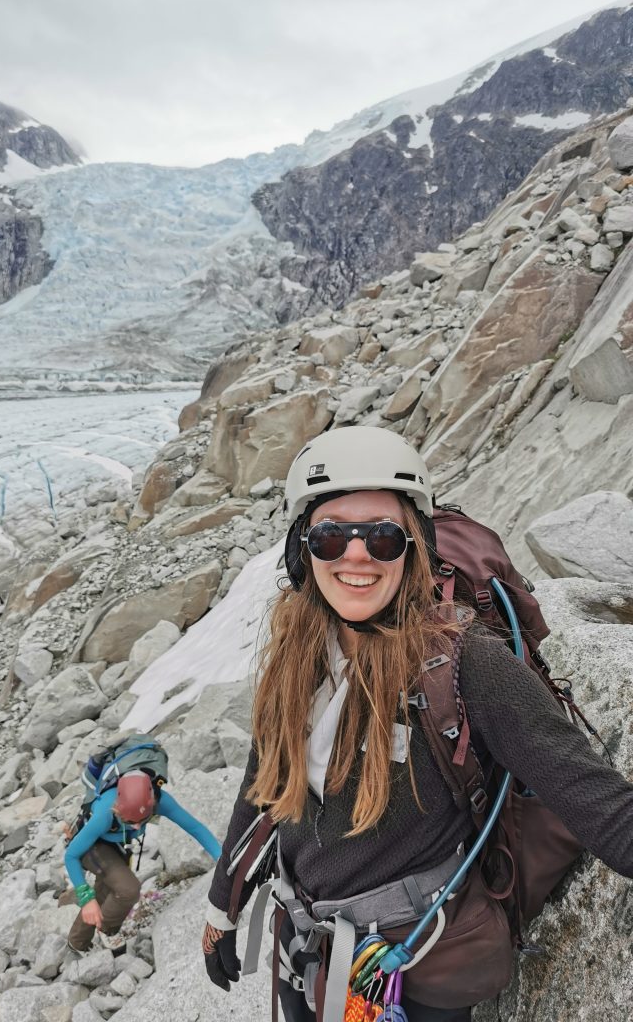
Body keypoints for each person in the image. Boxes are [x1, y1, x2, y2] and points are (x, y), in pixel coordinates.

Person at [201, 426, 633, 1021]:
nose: (355, 555)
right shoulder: (297, 657)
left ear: (414, 548)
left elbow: (596, 801)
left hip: (412, 965)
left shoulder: (465, 663)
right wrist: (222, 906)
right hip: (306, 951)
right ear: (303, 550)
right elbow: (267, 785)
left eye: (382, 537)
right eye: (330, 537)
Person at [64, 767, 222, 953]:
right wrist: (85, 899)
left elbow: (195, 828)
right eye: (130, 822)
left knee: (107, 888)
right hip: (90, 847)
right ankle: (106, 931)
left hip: (116, 843)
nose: (138, 826)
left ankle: (77, 943)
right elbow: (71, 855)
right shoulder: (105, 813)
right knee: (128, 889)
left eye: (144, 819)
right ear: (118, 807)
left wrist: (222, 859)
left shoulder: (159, 801)